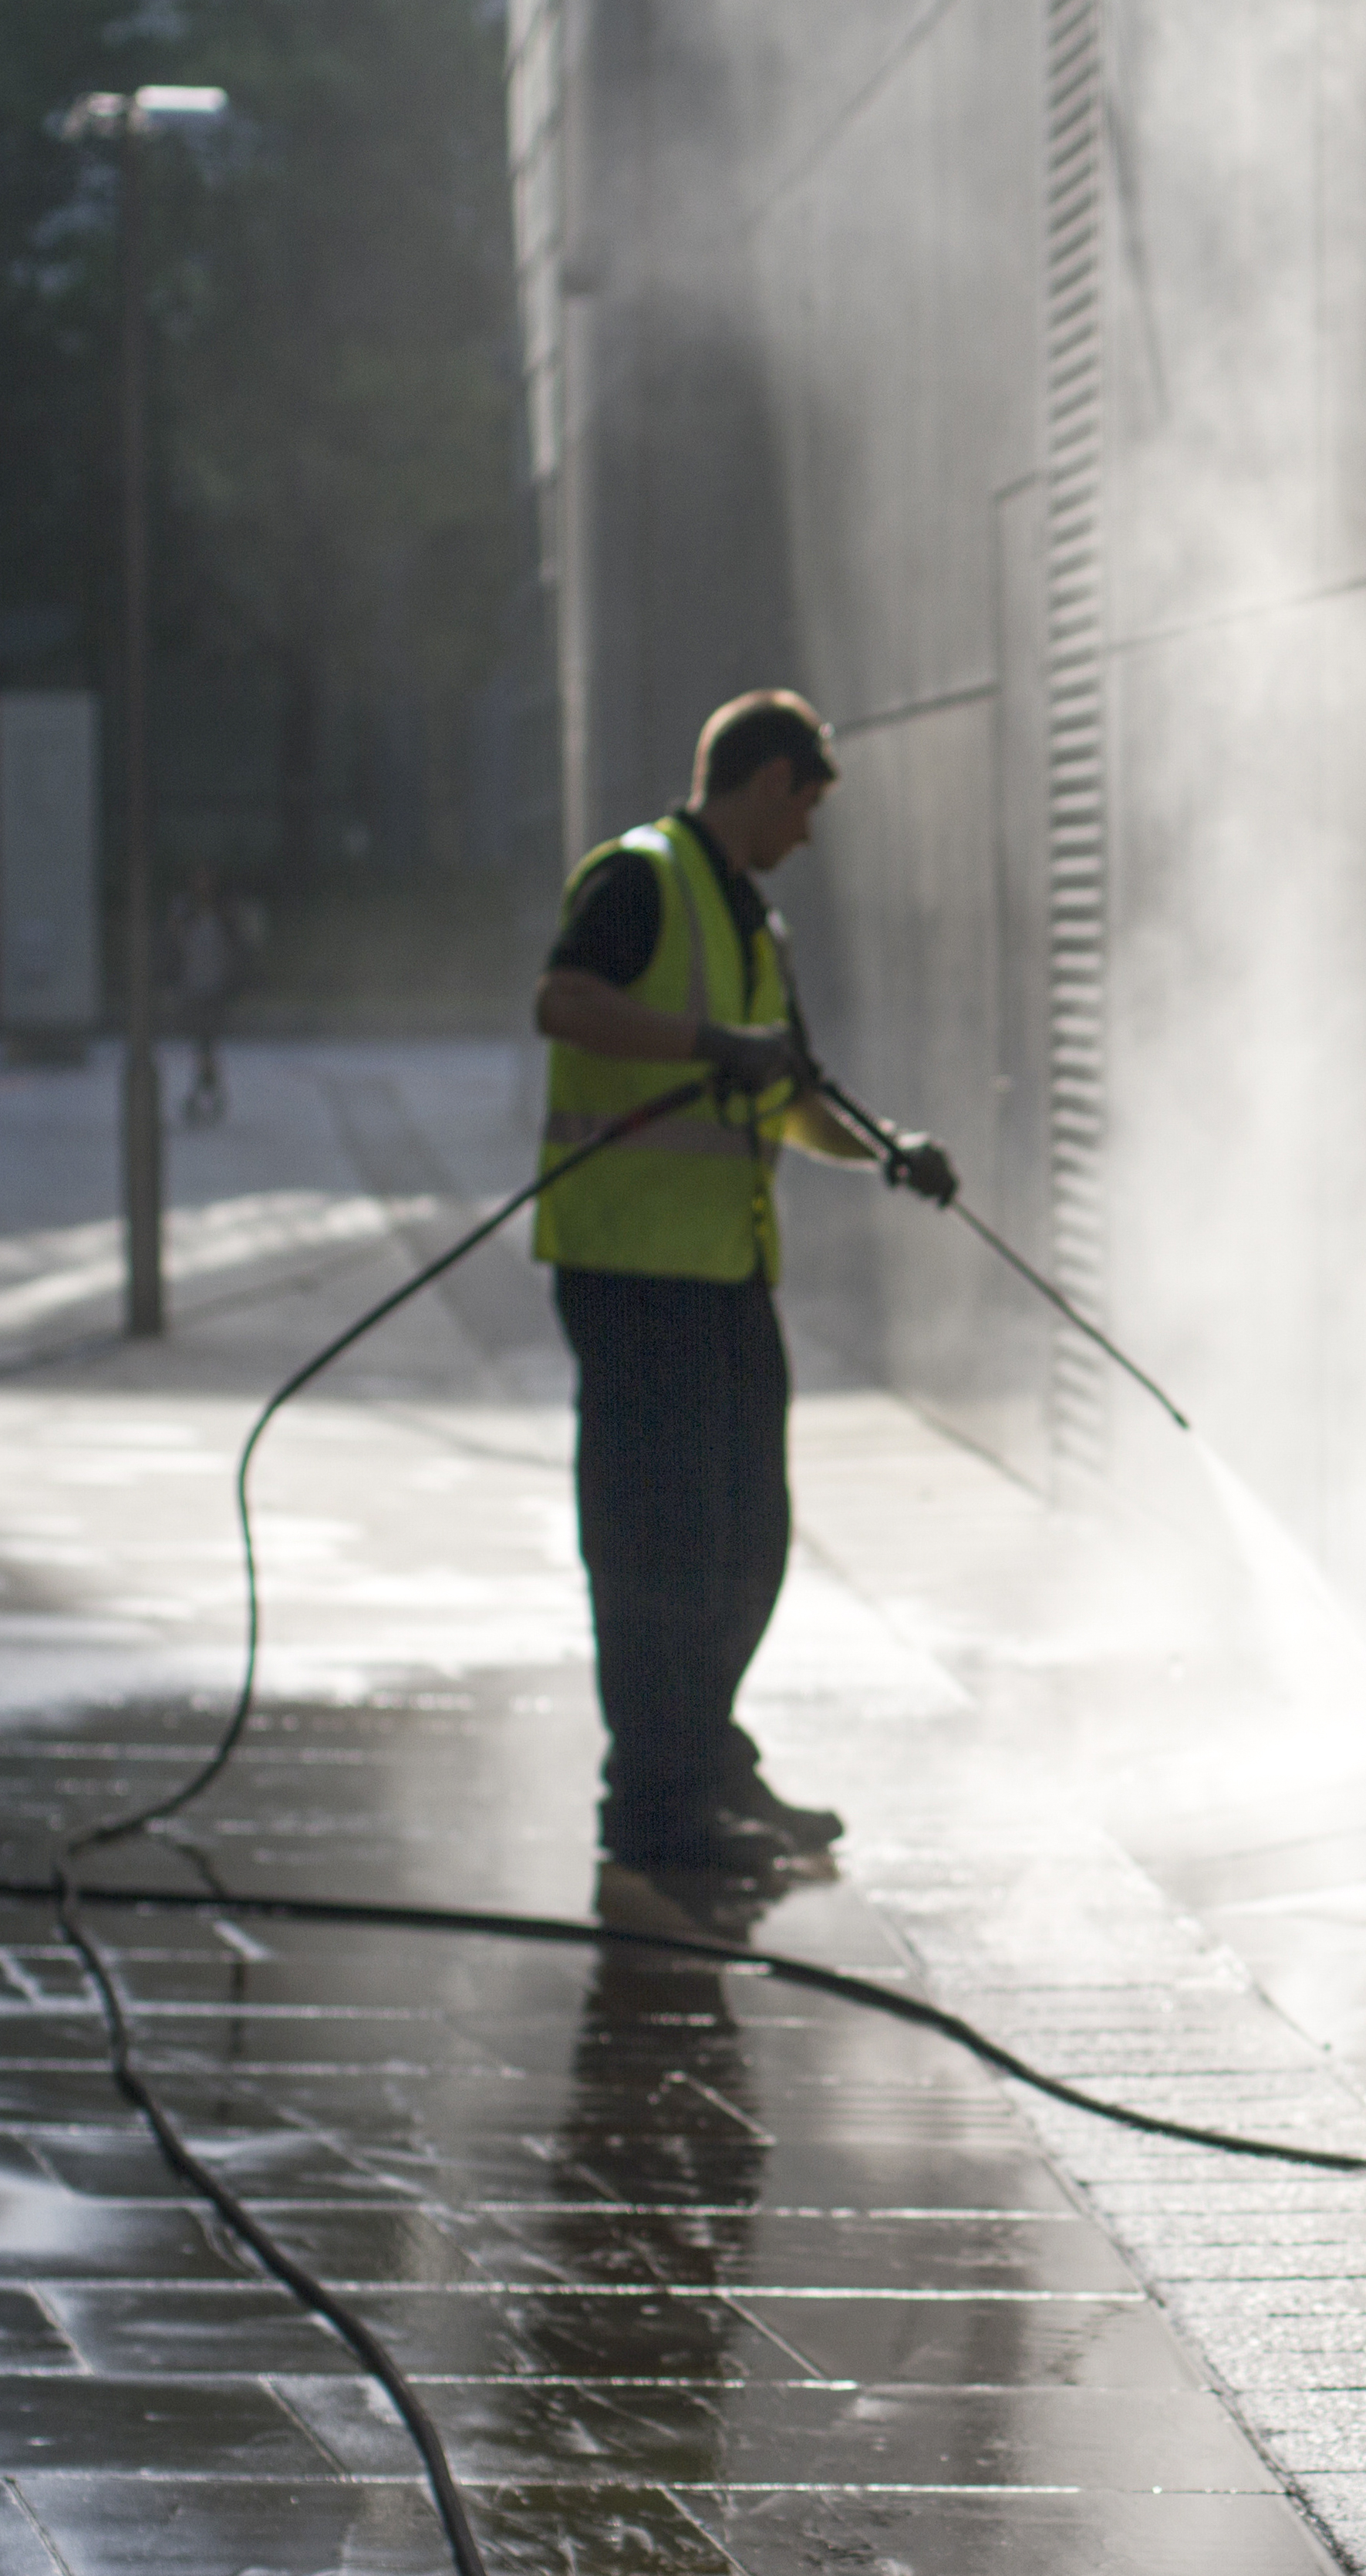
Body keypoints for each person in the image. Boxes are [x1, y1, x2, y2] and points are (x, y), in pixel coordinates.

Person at [531, 690, 954, 1871]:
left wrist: (887, 1153)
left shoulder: (753, 923)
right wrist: (711, 1048)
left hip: (719, 1272)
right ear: (767, 782)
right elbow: (561, 1002)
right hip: (627, 1270)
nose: (809, 835)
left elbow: (795, 1093)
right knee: (652, 1541)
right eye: (807, 806)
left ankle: (702, 1757)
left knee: (746, 1536)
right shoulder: (639, 879)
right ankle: (655, 1801)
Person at [170, 873, 239, 1126]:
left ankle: (203, 1093)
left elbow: (230, 951)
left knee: (206, 1045)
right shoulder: (189, 916)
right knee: (204, 1046)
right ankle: (206, 1092)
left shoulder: (220, 916)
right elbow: (177, 945)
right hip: (195, 989)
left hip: (213, 990)